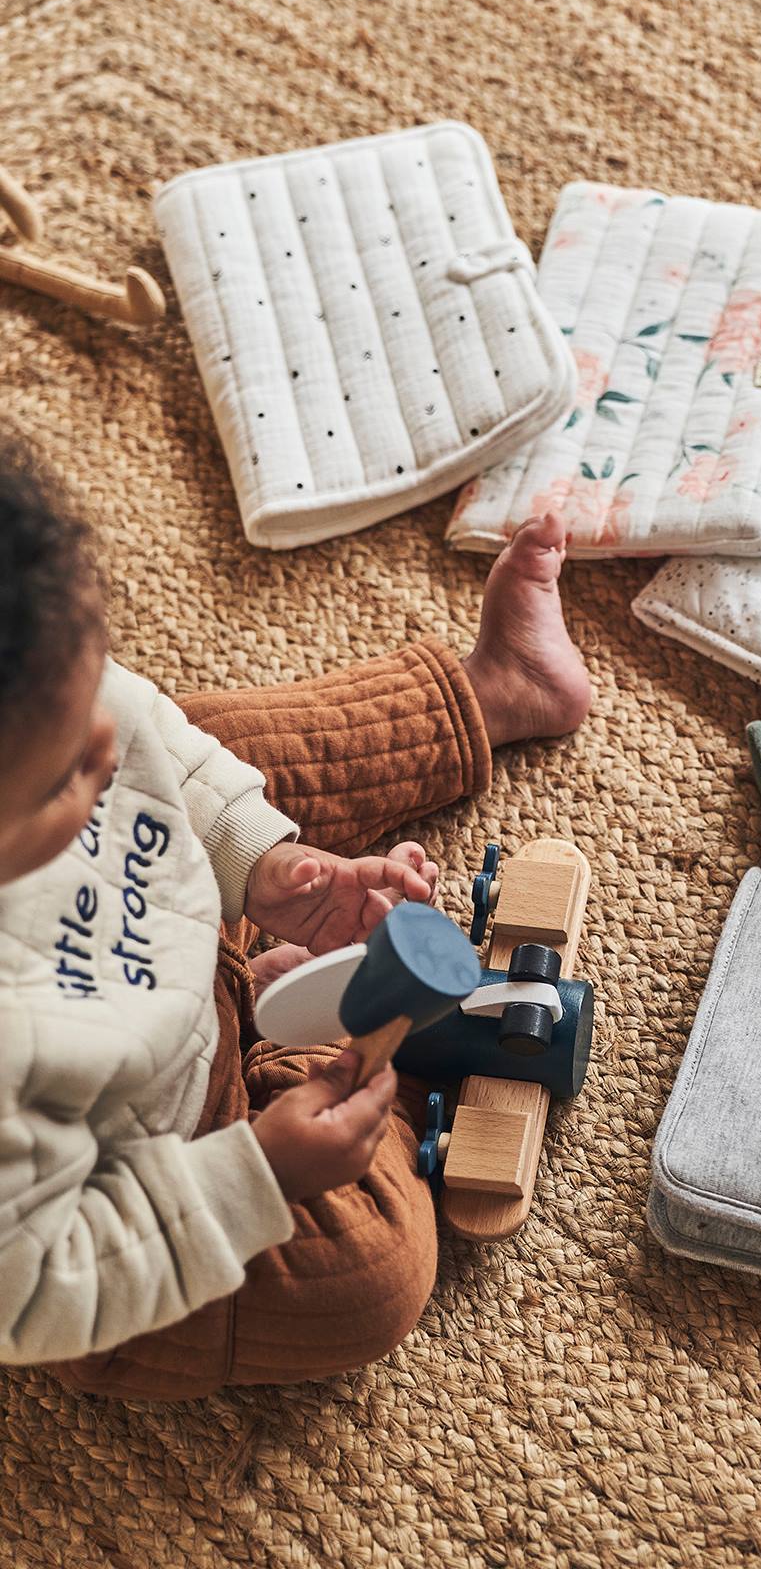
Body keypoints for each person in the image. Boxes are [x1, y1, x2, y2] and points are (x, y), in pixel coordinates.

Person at [0, 435, 591, 1399]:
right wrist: (255, 1180)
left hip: (180, 928)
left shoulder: (69, 719)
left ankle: (494, 692)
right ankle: (334, 1078)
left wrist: (266, 863)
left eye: (91, 696)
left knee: (209, 739)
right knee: (362, 1279)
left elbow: (142, 731)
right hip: (155, 1168)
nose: (108, 754)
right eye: (68, 773)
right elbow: (35, 1289)